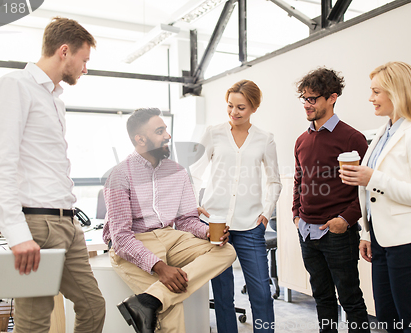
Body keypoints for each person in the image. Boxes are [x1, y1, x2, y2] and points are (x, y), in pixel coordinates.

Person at [0, 17, 105, 333]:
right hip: (36, 225)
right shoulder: (14, 86)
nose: (85, 69)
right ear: (64, 51)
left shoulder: (54, 99)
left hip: (68, 223)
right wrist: (18, 235)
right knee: (34, 323)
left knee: (94, 307)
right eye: (84, 60)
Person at [103, 108, 236, 333]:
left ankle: (149, 301)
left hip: (170, 235)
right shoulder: (119, 174)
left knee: (226, 251)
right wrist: (160, 267)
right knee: (172, 308)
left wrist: (207, 233)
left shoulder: (178, 172)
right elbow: (121, 237)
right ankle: (157, 301)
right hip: (134, 240)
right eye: (160, 131)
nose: (168, 136)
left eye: (165, 130)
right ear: (140, 139)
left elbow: (186, 221)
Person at [339, 61, 411, 333]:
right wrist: (367, 234)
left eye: (376, 92)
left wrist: (373, 178)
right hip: (384, 244)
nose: (370, 98)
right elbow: (375, 196)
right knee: (388, 321)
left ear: (397, 92)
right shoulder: (383, 133)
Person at [190, 79, 282, 333]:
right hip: (215, 225)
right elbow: (195, 172)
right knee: (222, 296)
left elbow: (274, 181)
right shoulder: (213, 133)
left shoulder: (265, 139)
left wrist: (266, 213)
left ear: (254, 107)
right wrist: (192, 205)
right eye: (230, 106)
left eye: (241, 107)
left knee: (262, 294)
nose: (233, 112)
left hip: (251, 226)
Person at [293, 67, 370, 332]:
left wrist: (345, 220)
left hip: (337, 234)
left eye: (312, 98)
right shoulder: (302, 140)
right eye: (304, 98)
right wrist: (296, 214)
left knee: (351, 300)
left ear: (332, 98)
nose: (307, 104)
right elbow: (299, 179)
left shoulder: (352, 138)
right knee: (322, 298)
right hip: (307, 232)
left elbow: (368, 190)